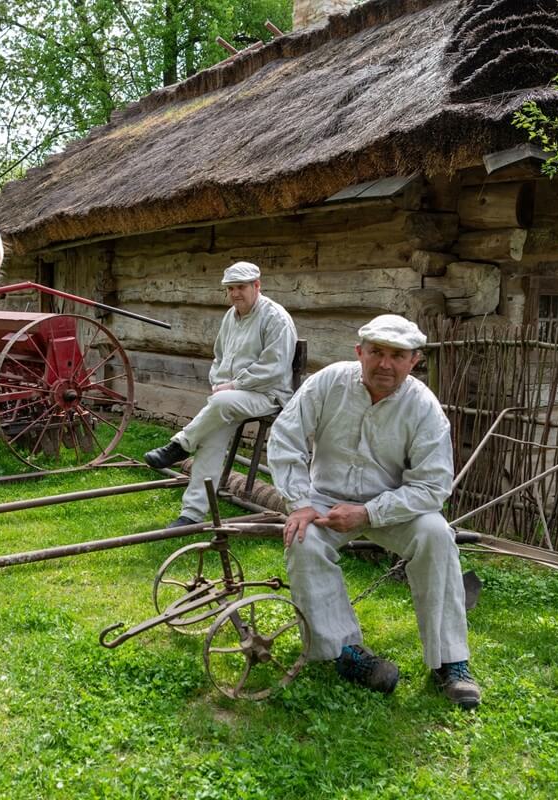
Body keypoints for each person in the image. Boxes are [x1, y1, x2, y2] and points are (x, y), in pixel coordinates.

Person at [267, 314, 481, 709]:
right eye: (376, 353)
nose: (385, 364)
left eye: (397, 355)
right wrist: (299, 503)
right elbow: (285, 436)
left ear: (413, 360)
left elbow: (432, 487)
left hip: (393, 506)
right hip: (324, 501)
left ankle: (451, 662)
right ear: (359, 353)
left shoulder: (424, 409)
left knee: (436, 534)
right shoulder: (329, 382)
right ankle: (345, 652)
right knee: (303, 540)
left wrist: (367, 514)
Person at [144, 261, 297, 528]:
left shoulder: (275, 317)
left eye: (241, 287)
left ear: (257, 286)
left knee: (222, 402)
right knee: (212, 437)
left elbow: (274, 367)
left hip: (268, 395)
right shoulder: (231, 316)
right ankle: (191, 514)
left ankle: (180, 445)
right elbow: (219, 358)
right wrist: (219, 382)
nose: (235, 293)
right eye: (231, 288)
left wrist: (234, 386)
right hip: (230, 398)